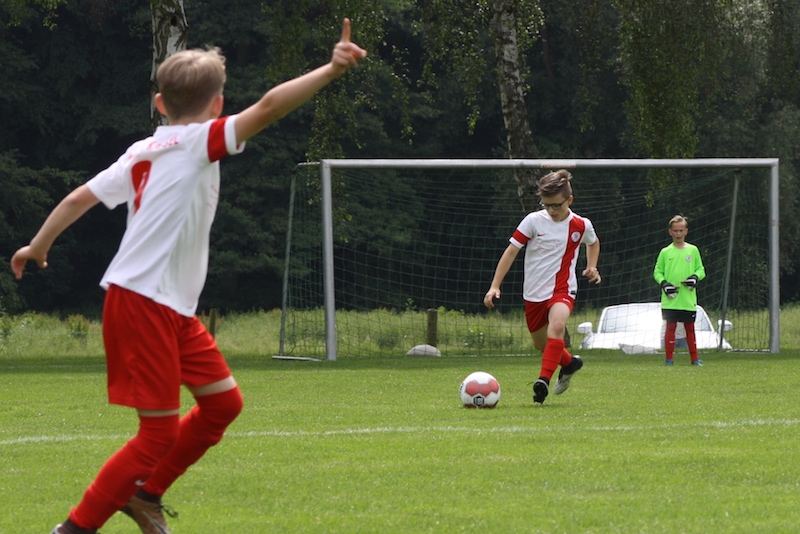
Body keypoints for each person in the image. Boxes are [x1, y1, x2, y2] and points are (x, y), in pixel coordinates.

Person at [11, 19, 366, 534]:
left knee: (223, 404)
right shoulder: (200, 141)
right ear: (218, 105)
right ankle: (74, 529)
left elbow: (76, 199)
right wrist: (330, 70)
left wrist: (38, 245)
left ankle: (146, 496)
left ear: (160, 104)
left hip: (168, 307)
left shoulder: (140, 151)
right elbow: (269, 107)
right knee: (154, 436)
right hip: (143, 300)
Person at [483, 170, 601, 404]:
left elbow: (593, 242)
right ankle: (569, 364)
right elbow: (511, 251)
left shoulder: (580, 225)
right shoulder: (533, 221)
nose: (551, 210)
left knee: (557, 327)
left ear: (569, 200)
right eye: (546, 205)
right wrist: (495, 286)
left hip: (563, 289)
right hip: (534, 292)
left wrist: (592, 266)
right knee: (541, 344)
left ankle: (543, 381)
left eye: (556, 205)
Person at [653, 215, 706, 366]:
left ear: (686, 231)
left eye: (681, 230)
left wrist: (695, 277)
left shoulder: (693, 250)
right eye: (675, 231)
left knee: (690, 328)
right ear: (670, 232)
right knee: (670, 327)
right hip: (670, 298)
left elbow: (701, 269)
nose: (678, 234)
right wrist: (664, 284)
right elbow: (657, 272)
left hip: (687, 298)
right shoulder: (665, 252)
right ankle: (669, 359)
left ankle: (694, 359)